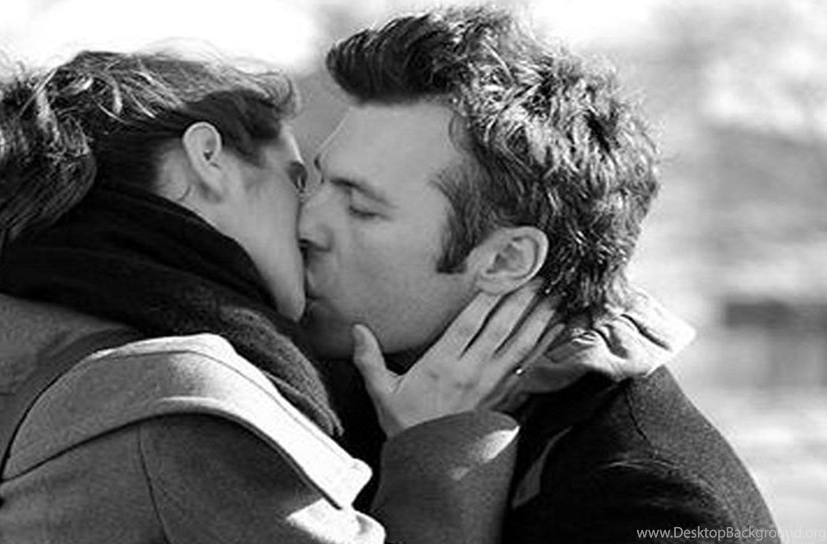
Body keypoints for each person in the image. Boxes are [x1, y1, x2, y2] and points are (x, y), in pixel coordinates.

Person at [0, 50, 552, 543]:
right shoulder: (183, 401)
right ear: (209, 158)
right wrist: (439, 445)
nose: (309, 221)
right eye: (296, 179)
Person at [299, 6, 781, 543]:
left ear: (506, 261)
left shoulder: (660, 505)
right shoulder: (334, 388)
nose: (306, 225)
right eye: (315, 184)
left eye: (360, 209)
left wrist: (440, 460)